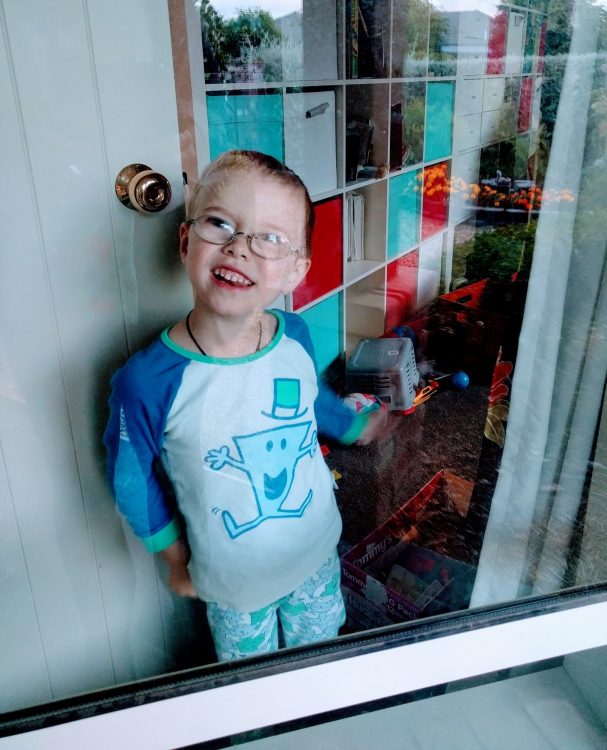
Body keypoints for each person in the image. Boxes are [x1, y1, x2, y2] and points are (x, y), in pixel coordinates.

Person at [104, 150, 385, 661]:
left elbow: (310, 399)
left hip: (315, 552)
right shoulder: (147, 380)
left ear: (296, 271)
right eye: (220, 224)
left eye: (270, 238)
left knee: (318, 663)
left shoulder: (294, 334)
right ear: (186, 241)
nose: (239, 248)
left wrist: (351, 425)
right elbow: (131, 478)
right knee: (254, 682)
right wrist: (174, 559)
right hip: (234, 586)